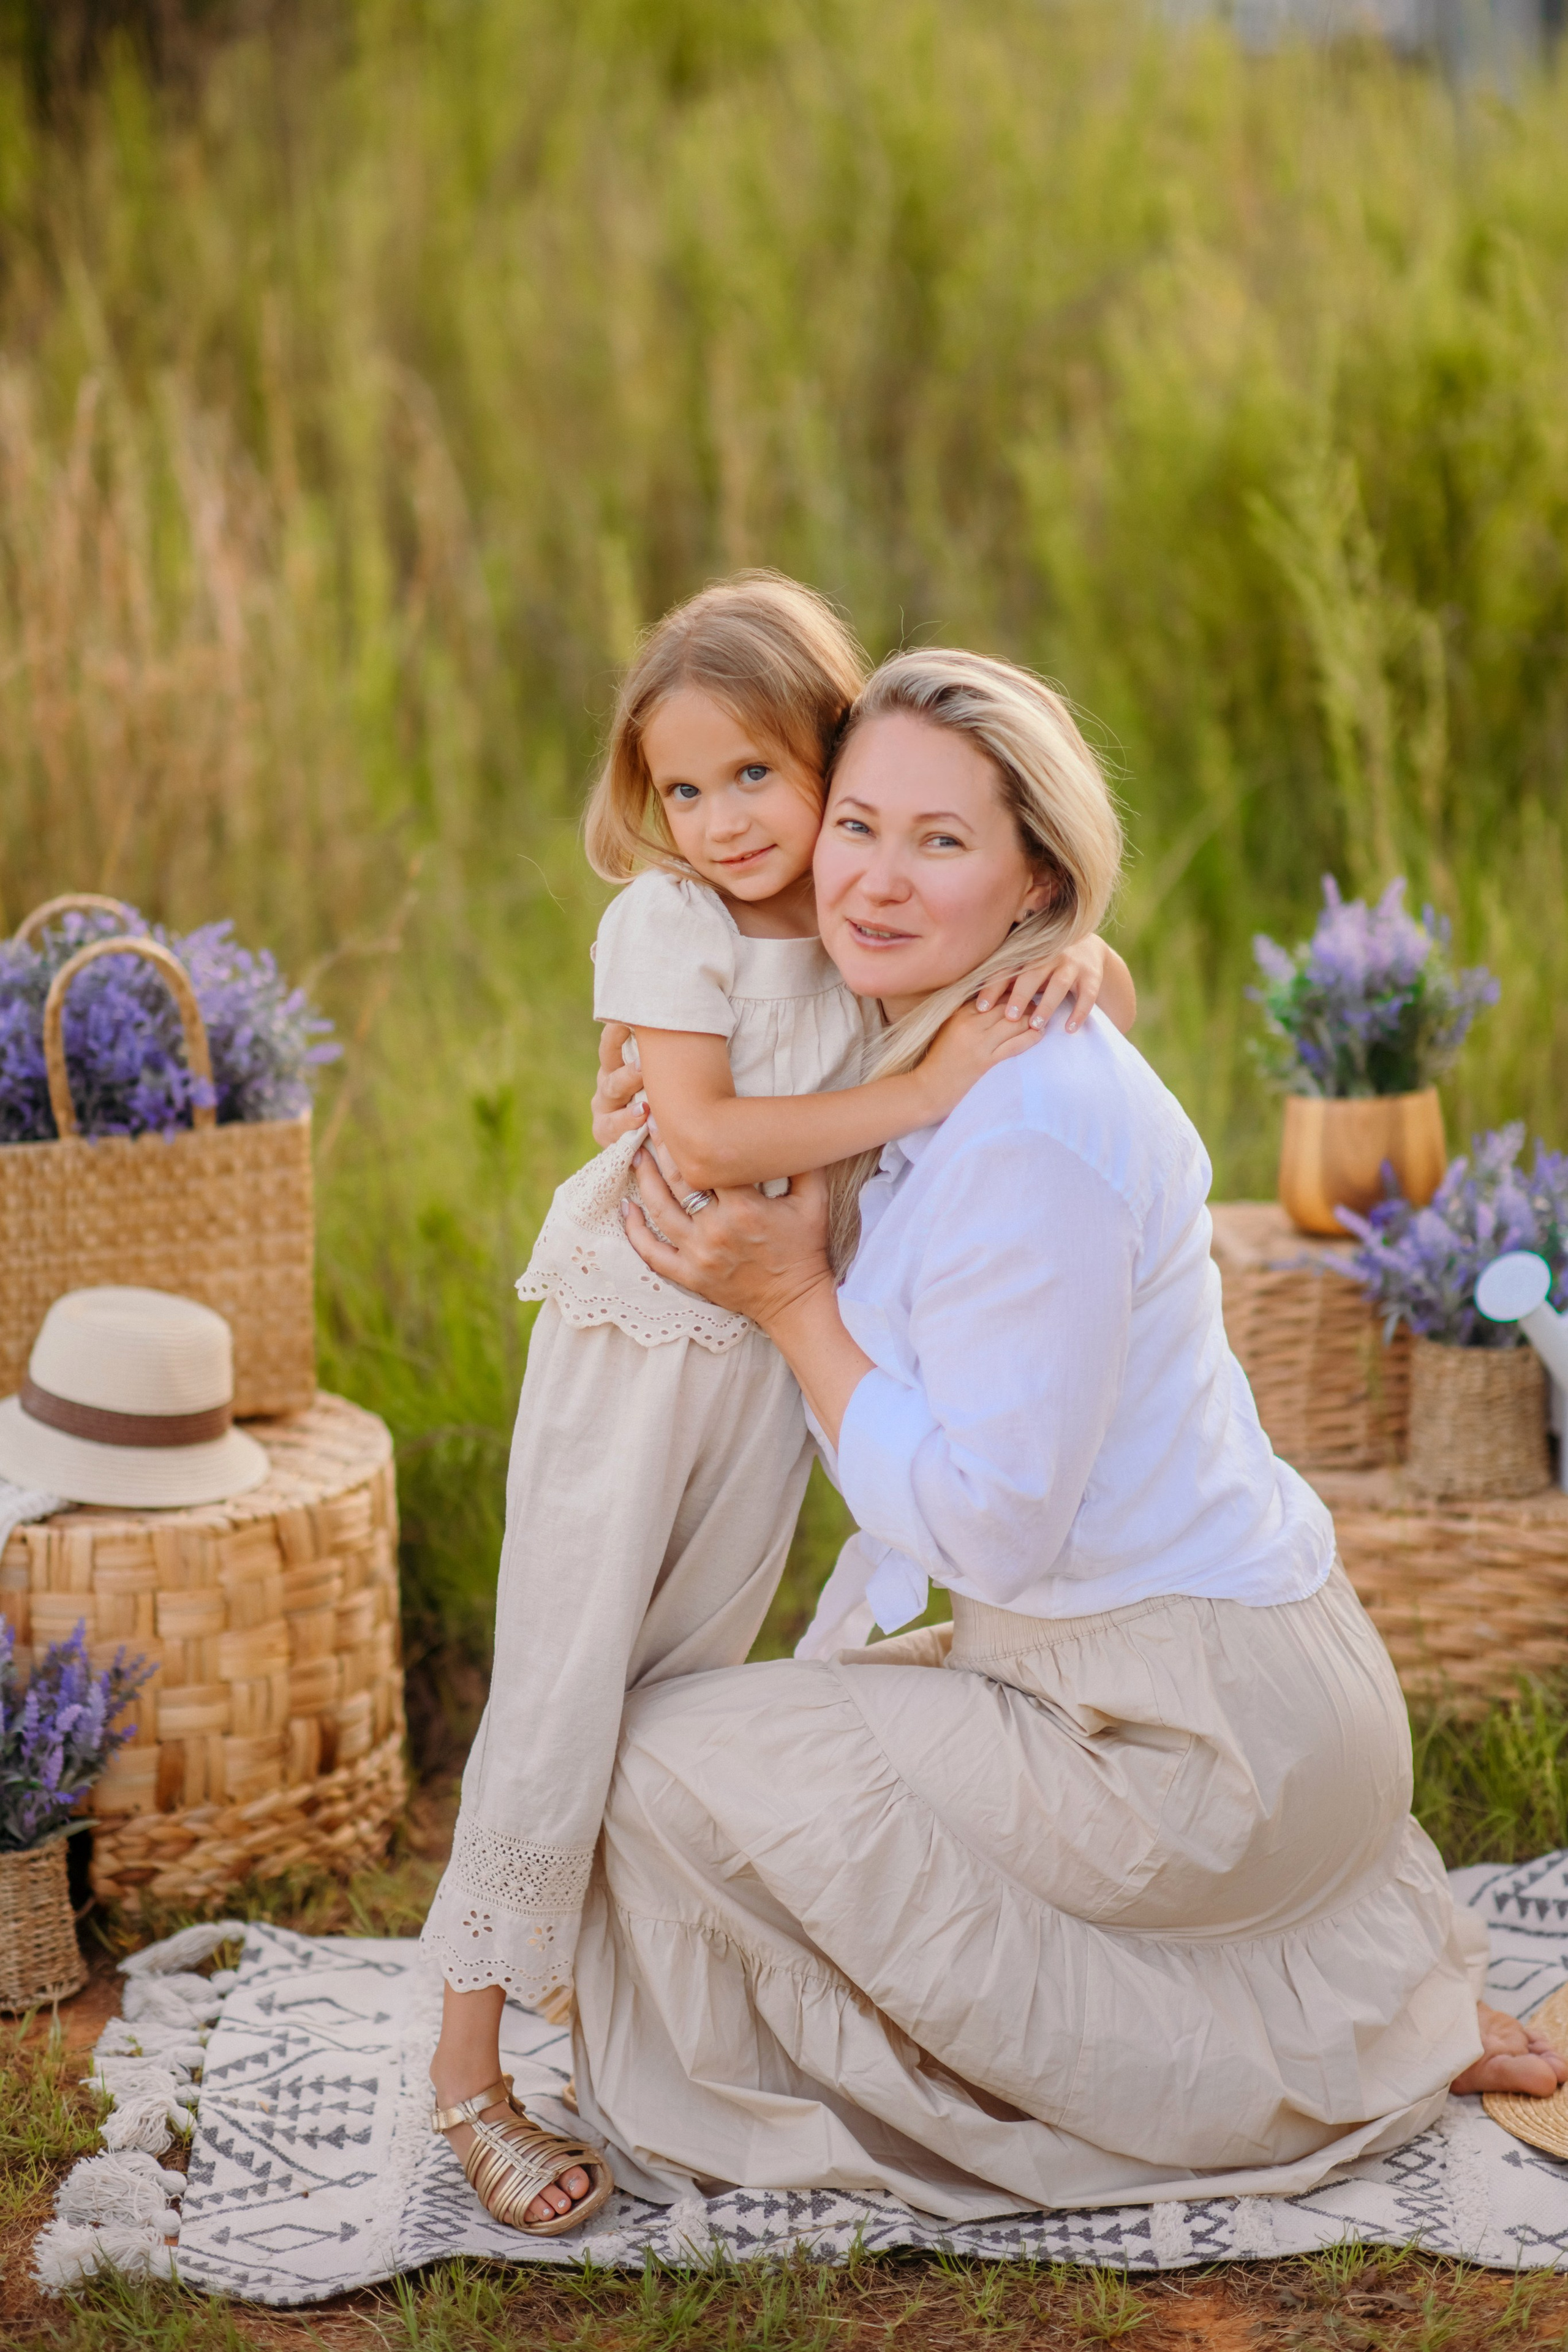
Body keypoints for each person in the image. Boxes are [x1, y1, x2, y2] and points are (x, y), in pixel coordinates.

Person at [565, 644, 1564, 2218]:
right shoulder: (960, 1034)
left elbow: (991, 1531)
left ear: (1035, 882)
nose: (874, 884)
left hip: (1195, 1745)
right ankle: (1326, 2018)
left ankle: (1053, 2084)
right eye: (859, 826)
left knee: (651, 1765)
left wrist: (790, 1302)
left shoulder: (1032, 1130)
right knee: (795, 1734)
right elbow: (753, 1030)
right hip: (1246, 1679)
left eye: (941, 842)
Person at [420, 578, 1136, 2233]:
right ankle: (466, 2070)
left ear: (832, 763)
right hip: (641, 1346)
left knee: (680, 1696)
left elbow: (1078, 990)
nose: (725, 821)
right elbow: (708, 1143)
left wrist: (1074, 943)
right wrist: (930, 1086)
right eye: (684, 788)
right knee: (560, 1692)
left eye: (759, 775)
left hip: (759, 1366)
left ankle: (622, 2019)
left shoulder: (855, 912)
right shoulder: (668, 926)